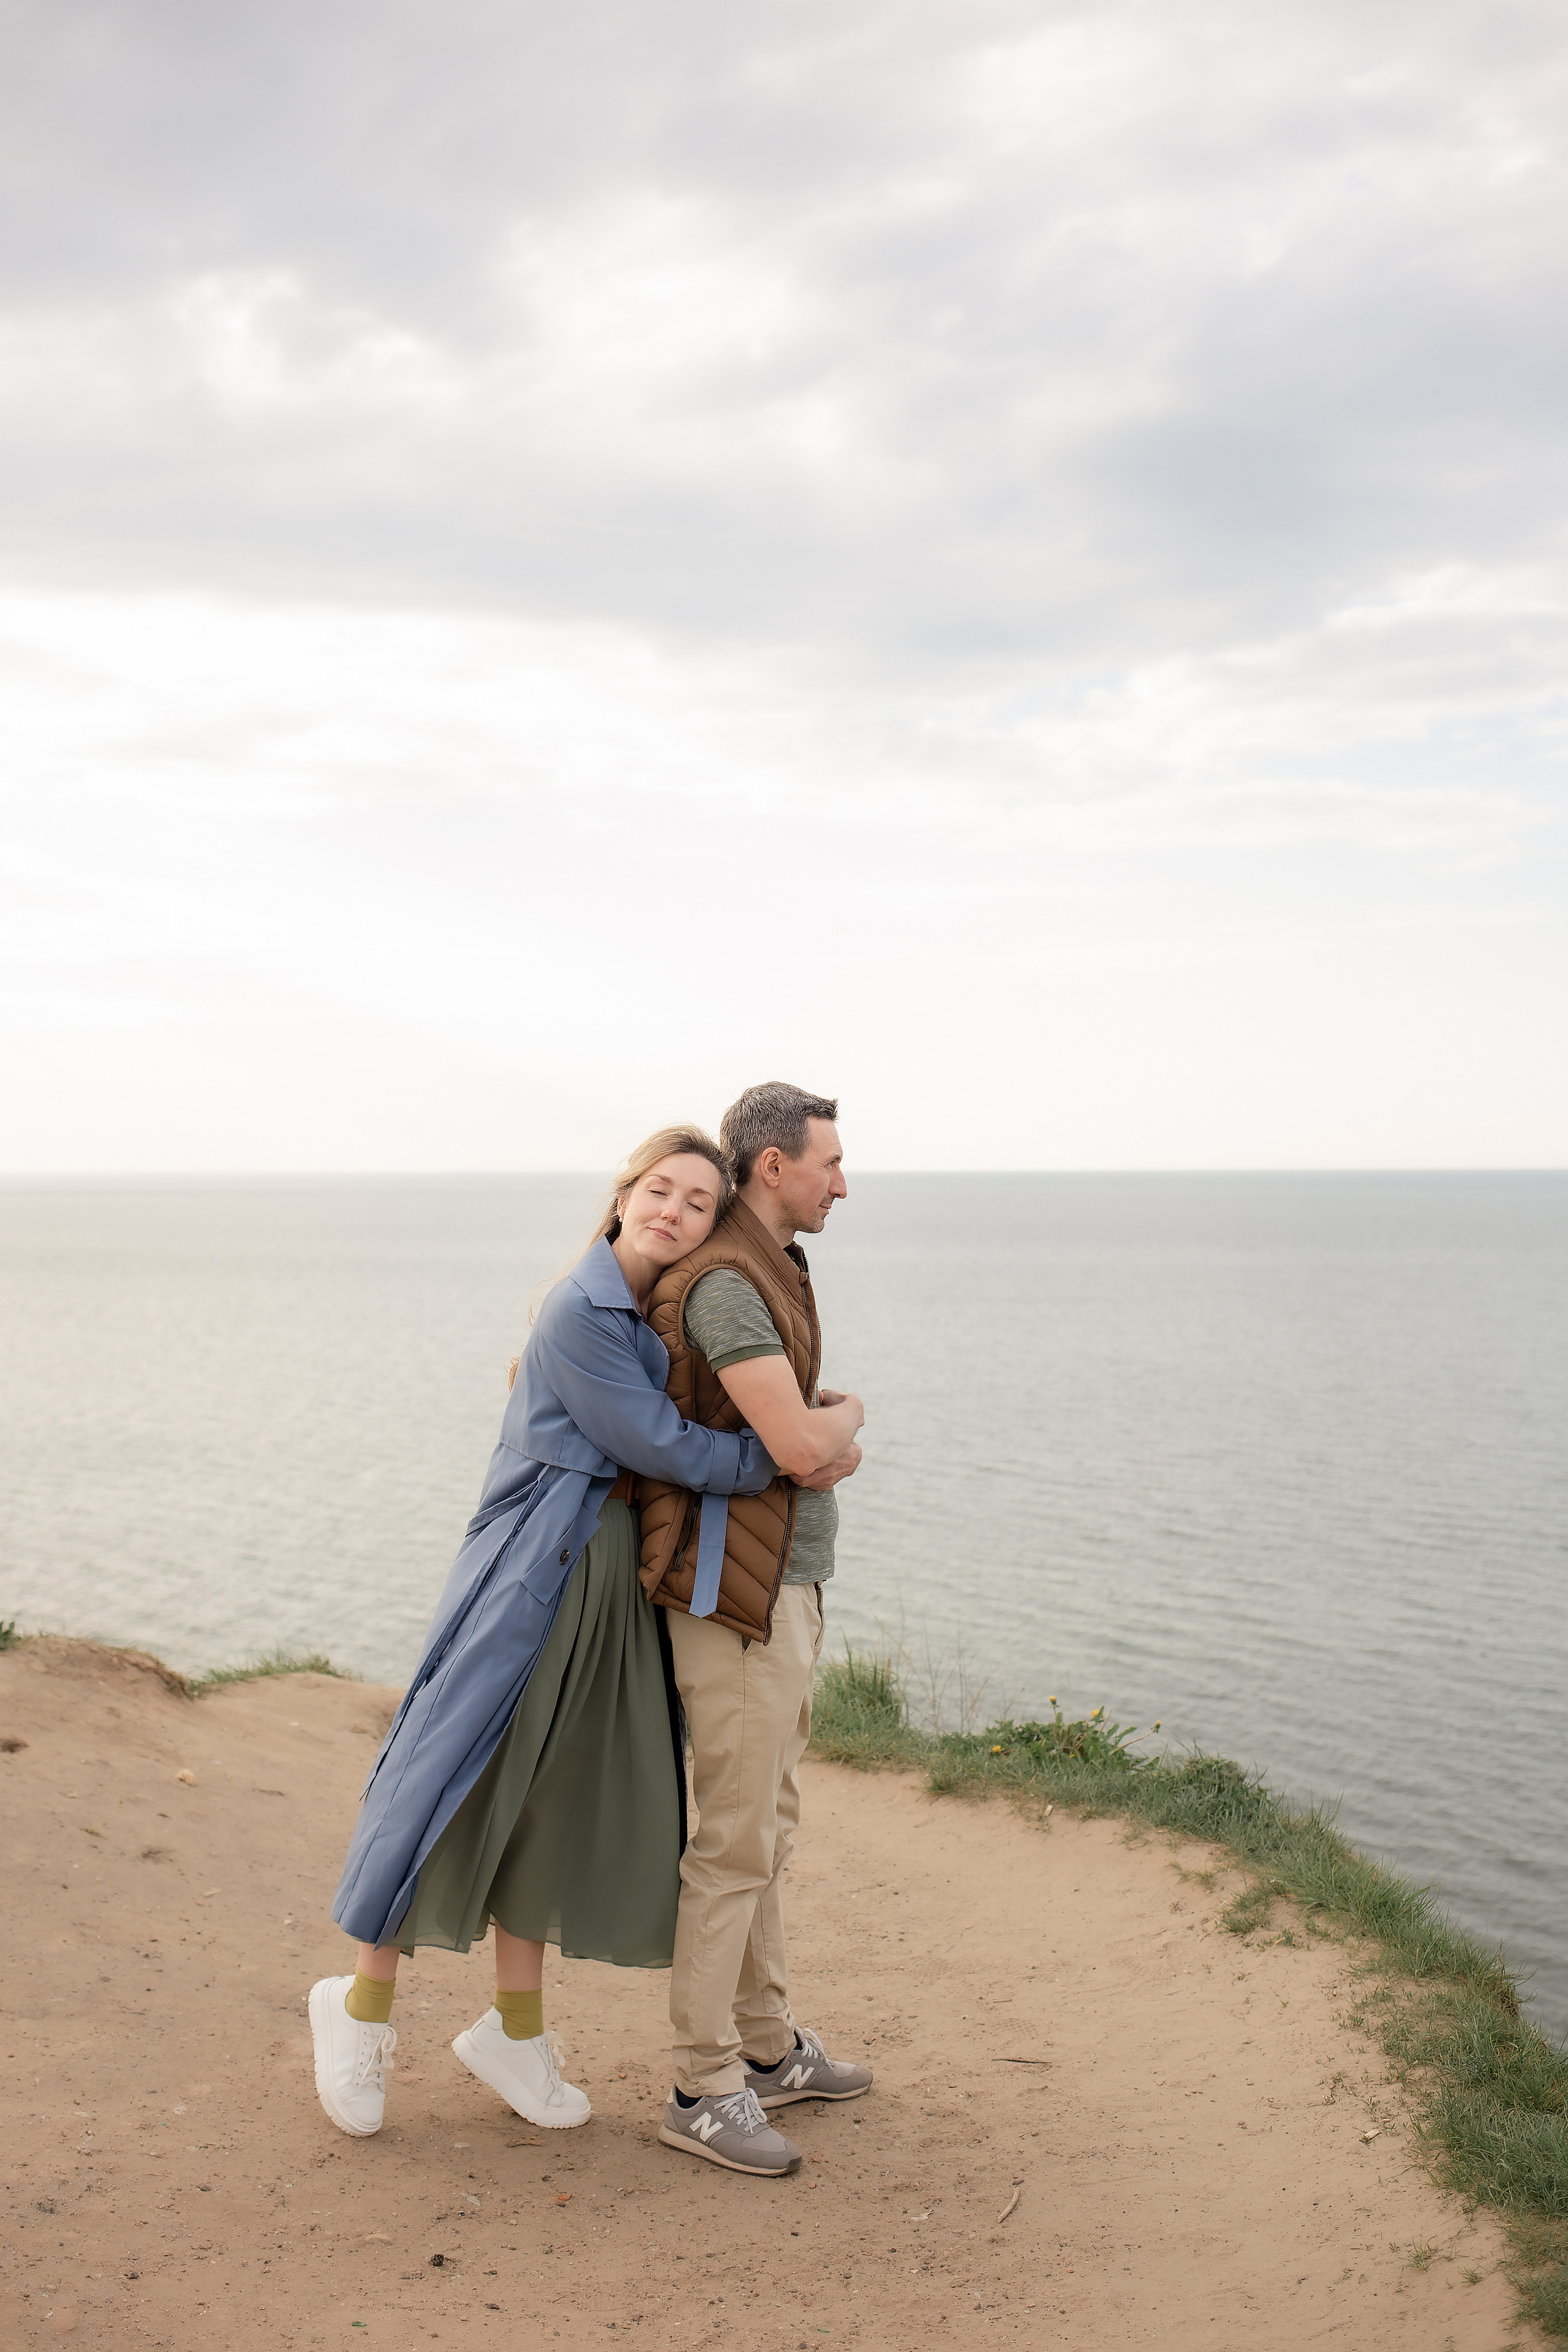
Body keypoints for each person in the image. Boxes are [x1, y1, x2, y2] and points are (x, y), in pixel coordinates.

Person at [309, 1128, 778, 2141]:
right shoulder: (580, 1308)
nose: (676, 1212)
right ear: (625, 1194)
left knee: (548, 1800)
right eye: (662, 1190)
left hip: (603, 1589)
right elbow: (655, 1444)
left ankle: (514, 2031)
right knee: (446, 1781)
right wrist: (783, 1450)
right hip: (531, 1576)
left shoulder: (649, 1310)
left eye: (699, 1203)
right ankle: (356, 2009)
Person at [636, 1081, 872, 2178]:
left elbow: (798, 1436)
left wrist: (822, 1432)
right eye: (828, 1161)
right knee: (733, 1845)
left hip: (780, 1591)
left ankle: (769, 2049)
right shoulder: (727, 1285)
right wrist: (845, 1423)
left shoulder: (775, 1265)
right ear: (771, 1166)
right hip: (738, 1603)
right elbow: (801, 1445)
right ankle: (701, 2082)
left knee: (766, 1828)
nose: (841, 1179)